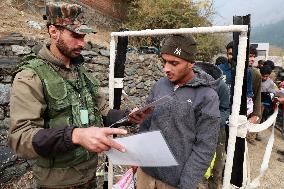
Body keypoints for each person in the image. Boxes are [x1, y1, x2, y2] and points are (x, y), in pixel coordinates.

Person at [8, 2, 149, 188]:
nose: (82, 43)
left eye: (83, 36)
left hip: (89, 179)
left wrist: (127, 117)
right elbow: (20, 138)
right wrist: (75, 135)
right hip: (57, 184)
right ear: (53, 31)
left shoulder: (81, 71)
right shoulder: (30, 76)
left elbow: (101, 110)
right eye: (75, 35)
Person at [136, 34, 221, 189]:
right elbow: (146, 124)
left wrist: (186, 184)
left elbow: (205, 147)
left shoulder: (207, 97)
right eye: (164, 62)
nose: (166, 69)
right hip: (145, 173)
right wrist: (138, 158)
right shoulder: (160, 85)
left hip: (176, 182)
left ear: (191, 63)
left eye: (174, 63)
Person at [195, 62, 230, 189]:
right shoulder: (191, 84)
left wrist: (213, 121)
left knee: (217, 165)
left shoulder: (222, 87)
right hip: (194, 131)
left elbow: (226, 109)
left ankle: (214, 184)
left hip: (216, 132)